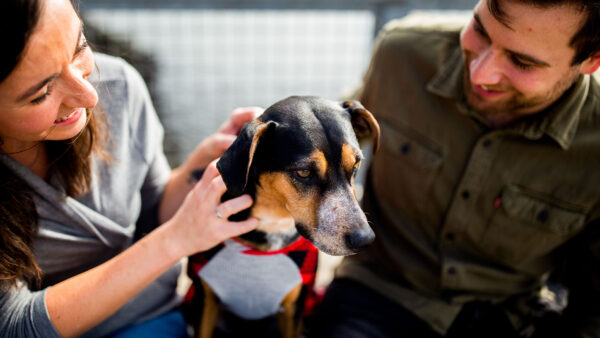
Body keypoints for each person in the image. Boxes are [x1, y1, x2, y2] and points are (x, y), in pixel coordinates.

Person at [309, 0, 600, 337]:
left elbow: (593, 307)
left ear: (591, 60)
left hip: (507, 318)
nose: (481, 73)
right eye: (480, 30)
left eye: (522, 62)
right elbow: (329, 144)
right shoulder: (401, 54)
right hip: (374, 295)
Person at [0, 0, 261, 336]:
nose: (90, 95)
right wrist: (175, 241)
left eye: (80, 47)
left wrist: (201, 163)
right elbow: (13, 326)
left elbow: (151, 213)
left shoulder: (121, 86)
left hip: (159, 315)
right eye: (42, 93)